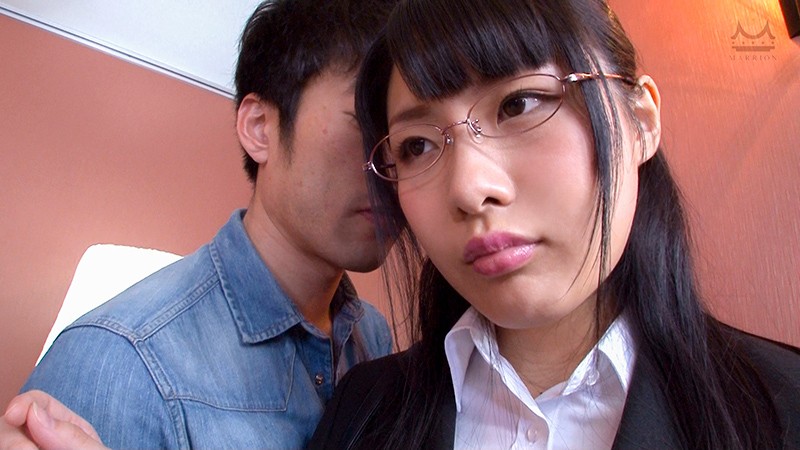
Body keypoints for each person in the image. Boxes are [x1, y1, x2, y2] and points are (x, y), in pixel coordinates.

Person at [307, 0, 800, 449]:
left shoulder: (783, 408)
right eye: (417, 146)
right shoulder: (361, 413)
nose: (469, 189)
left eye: (518, 104)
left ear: (641, 119)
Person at [0, 0, 396, 448]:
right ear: (260, 127)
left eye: (410, 140)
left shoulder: (372, 336)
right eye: (365, 124)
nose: (392, 166)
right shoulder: (121, 361)